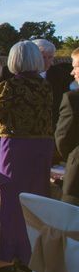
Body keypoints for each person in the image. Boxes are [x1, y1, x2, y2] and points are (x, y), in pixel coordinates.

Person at [0, 41, 54, 272]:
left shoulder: (11, 86)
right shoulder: (45, 86)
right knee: (36, 197)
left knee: (13, 198)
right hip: (42, 147)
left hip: (17, 147)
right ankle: (29, 253)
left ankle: (6, 256)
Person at [0, 39, 73, 128]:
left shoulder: (61, 74)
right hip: (15, 128)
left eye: (50, 57)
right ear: (33, 56)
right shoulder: (8, 73)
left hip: (50, 128)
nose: (47, 61)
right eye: (43, 57)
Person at [55, 47, 79, 205]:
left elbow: (63, 139)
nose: (72, 73)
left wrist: (70, 159)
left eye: (75, 67)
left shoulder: (73, 100)